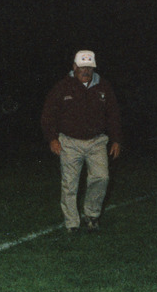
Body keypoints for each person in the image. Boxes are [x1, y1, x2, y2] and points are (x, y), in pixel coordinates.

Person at [40, 49, 122, 234]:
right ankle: (71, 223)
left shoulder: (103, 87)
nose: (86, 71)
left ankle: (92, 215)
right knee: (70, 183)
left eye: (89, 67)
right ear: (74, 67)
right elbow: (48, 115)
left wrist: (116, 139)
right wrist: (52, 138)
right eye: (82, 67)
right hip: (69, 142)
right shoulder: (62, 87)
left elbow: (113, 115)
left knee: (101, 177)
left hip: (97, 142)